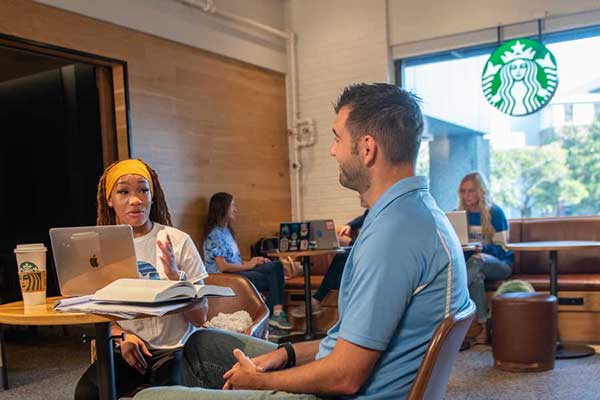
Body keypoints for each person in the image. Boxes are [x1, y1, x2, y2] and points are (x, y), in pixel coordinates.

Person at [133, 83, 472, 400]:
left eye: (338, 138)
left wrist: (261, 381)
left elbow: (345, 375)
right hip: (350, 377)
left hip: (342, 391)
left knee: (148, 397)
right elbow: (347, 344)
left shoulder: (393, 235)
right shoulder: (416, 213)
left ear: (367, 148)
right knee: (203, 344)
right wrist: (286, 352)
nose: (332, 150)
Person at [75, 159, 208, 399]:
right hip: (129, 348)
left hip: (175, 349)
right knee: (87, 393)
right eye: (123, 191)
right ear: (109, 200)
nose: (136, 200)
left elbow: (201, 318)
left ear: (152, 195)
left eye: (143, 190)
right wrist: (122, 336)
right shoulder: (99, 249)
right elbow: (102, 312)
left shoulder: (177, 241)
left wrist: (174, 278)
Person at [202, 192, 292, 331]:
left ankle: (275, 314)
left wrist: (253, 261)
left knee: (275, 267)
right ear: (223, 208)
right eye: (233, 205)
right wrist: (248, 265)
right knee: (273, 279)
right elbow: (223, 266)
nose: (235, 209)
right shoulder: (214, 235)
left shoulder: (226, 231)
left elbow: (234, 260)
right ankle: (272, 316)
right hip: (225, 278)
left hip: (238, 272)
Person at [290, 195, 369, 319]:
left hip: (366, 260)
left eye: (362, 193)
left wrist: (352, 244)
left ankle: (316, 301)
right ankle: (317, 302)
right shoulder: (371, 211)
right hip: (359, 257)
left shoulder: (380, 213)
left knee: (340, 260)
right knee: (338, 276)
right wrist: (350, 225)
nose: (359, 195)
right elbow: (363, 218)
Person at [458, 171, 514, 344]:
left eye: (471, 191)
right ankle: (483, 327)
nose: (467, 196)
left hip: (501, 265)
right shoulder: (458, 215)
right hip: (474, 266)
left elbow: (504, 249)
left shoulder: (495, 213)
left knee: (478, 260)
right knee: (477, 277)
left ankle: (452, 300)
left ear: (481, 191)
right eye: (463, 191)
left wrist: (484, 249)